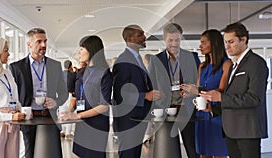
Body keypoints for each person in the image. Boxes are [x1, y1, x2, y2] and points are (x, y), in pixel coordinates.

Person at [200, 22, 268, 158]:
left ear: (244, 40)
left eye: (231, 42)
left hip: (247, 131)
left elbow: (254, 98)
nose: (227, 46)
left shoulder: (256, 63)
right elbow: (232, 96)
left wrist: (221, 98)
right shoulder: (234, 65)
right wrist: (213, 109)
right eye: (225, 42)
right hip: (231, 130)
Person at [9, 28, 68, 158]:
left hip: (50, 117)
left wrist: (56, 102)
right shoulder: (16, 67)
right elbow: (12, 95)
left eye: (45, 41)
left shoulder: (55, 65)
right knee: (30, 153)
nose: (44, 45)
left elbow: (64, 93)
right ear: (29, 44)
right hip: (28, 118)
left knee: (53, 153)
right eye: (39, 41)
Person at [148, 23, 200, 158]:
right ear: (164, 39)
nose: (174, 43)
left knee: (192, 149)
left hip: (187, 109)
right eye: (170, 40)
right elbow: (150, 85)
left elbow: (200, 82)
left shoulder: (192, 57)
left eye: (177, 40)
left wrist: (193, 89)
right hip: (165, 110)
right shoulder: (155, 60)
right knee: (168, 151)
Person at [112, 24, 163, 158]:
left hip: (138, 118)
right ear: (129, 39)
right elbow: (119, 95)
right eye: (140, 35)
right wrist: (145, 96)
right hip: (128, 120)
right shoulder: (123, 61)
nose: (144, 37)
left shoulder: (137, 58)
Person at [60, 35, 112, 158]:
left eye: (82, 48)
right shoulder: (82, 71)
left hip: (97, 125)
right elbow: (76, 96)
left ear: (92, 49)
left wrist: (76, 115)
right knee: (78, 154)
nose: (79, 52)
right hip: (82, 122)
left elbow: (104, 106)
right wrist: (67, 113)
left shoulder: (104, 73)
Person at [182, 29, 232, 158]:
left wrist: (197, 90)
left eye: (203, 42)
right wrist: (189, 92)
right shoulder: (202, 66)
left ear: (214, 43)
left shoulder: (227, 64)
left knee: (219, 153)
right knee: (203, 154)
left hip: (217, 114)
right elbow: (199, 89)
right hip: (201, 114)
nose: (200, 46)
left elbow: (220, 91)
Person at [60, 60, 77, 138]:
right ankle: (68, 133)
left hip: (61, 96)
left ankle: (62, 131)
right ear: (71, 66)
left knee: (62, 113)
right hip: (70, 95)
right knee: (69, 113)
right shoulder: (73, 75)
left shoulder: (60, 75)